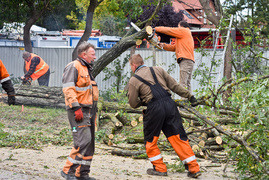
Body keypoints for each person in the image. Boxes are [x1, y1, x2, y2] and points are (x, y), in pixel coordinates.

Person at [127, 54, 201, 178]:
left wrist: (143, 102)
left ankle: (160, 168)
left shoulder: (134, 80)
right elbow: (175, 85)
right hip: (170, 104)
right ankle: (194, 168)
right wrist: (190, 96)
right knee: (178, 137)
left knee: (151, 140)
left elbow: (133, 103)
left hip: (154, 108)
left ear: (133, 66)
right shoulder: (158, 70)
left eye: (131, 66)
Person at [61, 42, 98, 180]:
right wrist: (76, 108)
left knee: (89, 143)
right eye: (92, 54)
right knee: (83, 141)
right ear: (84, 54)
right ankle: (68, 171)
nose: (95, 56)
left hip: (88, 110)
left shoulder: (86, 68)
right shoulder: (74, 66)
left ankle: (82, 174)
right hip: (79, 110)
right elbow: (68, 89)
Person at [155, 20, 195, 93]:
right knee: (187, 84)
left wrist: (156, 29)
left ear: (182, 27)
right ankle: (190, 101)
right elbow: (174, 47)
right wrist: (163, 45)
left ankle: (183, 102)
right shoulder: (185, 36)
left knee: (182, 84)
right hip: (189, 61)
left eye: (178, 27)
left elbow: (169, 30)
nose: (177, 29)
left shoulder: (184, 31)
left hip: (185, 61)